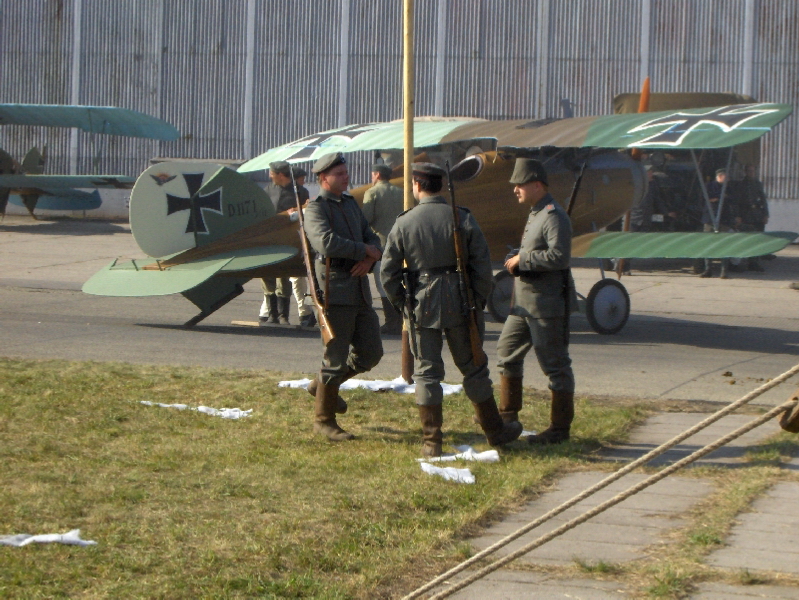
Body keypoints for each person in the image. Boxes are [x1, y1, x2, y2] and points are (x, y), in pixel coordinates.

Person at [381, 162, 522, 457]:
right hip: (461, 302)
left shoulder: (405, 222)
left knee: (426, 373)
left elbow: (388, 273)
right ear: (441, 186)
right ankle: (495, 431)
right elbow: (482, 266)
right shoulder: (462, 217)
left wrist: (403, 304)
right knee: (473, 368)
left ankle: (432, 441)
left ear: (417, 185)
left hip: (422, 303)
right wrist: (476, 302)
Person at [495, 158, 578, 445]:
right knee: (507, 352)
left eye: (520, 184)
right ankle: (508, 419)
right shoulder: (537, 213)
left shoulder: (553, 215)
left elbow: (559, 256)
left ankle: (559, 429)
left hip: (545, 305)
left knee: (555, 365)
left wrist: (524, 259)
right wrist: (518, 257)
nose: (515, 189)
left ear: (537, 185)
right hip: (523, 304)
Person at [302, 152, 384, 441]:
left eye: (346, 173)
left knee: (370, 353)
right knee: (335, 359)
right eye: (339, 174)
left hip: (359, 288)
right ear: (324, 178)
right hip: (334, 290)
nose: (346, 178)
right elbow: (325, 242)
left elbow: (372, 237)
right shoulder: (316, 209)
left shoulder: (349, 204)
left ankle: (321, 386)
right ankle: (324, 420)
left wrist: (370, 257)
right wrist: (363, 250)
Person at [362, 163, 405, 334]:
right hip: (402, 244)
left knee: (383, 284)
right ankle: (402, 319)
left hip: (381, 245)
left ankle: (392, 322)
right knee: (401, 281)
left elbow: (366, 220)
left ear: (377, 175)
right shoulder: (401, 192)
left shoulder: (372, 192)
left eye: (372, 174)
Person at [259, 160, 300, 324]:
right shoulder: (267, 191)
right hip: (268, 240)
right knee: (267, 275)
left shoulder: (299, 192)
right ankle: (272, 314)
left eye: (272, 173)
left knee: (283, 277)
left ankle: (283, 316)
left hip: (287, 241)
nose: (270, 176)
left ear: (281, 175)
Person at [288, 166, 317, 327]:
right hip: (296, 240)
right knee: (297, 280)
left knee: (300, 280)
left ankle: (305, 312)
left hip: (302, 239)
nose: (303, 182)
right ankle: (304, 312)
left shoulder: (302, 191)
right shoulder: (295, 192)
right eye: (301, 179)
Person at [699, 168, 740, 279]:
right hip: (709, 219)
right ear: (720, 176)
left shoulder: (728, 188)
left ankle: (724, 271)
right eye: (726, 176)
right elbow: (704, 199)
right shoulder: (709, 186)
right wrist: (719, 197)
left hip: (724, 219)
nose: (728, 179)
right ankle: (708, 269)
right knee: (708, 244)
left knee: (724, 244)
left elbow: (733, 199)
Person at [738, 164, 769, 271]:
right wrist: (738, 215)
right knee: (749, 238)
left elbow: (763, 200)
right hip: (746, 214)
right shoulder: (741, 185)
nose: (751, 173)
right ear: (745, 172)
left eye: (753, 171)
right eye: (749, 171)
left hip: (757, 214)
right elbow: (738, 202)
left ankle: (755, 261)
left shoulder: (757, 184)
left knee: (758, 238)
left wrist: (766, 214)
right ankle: (747, 261)